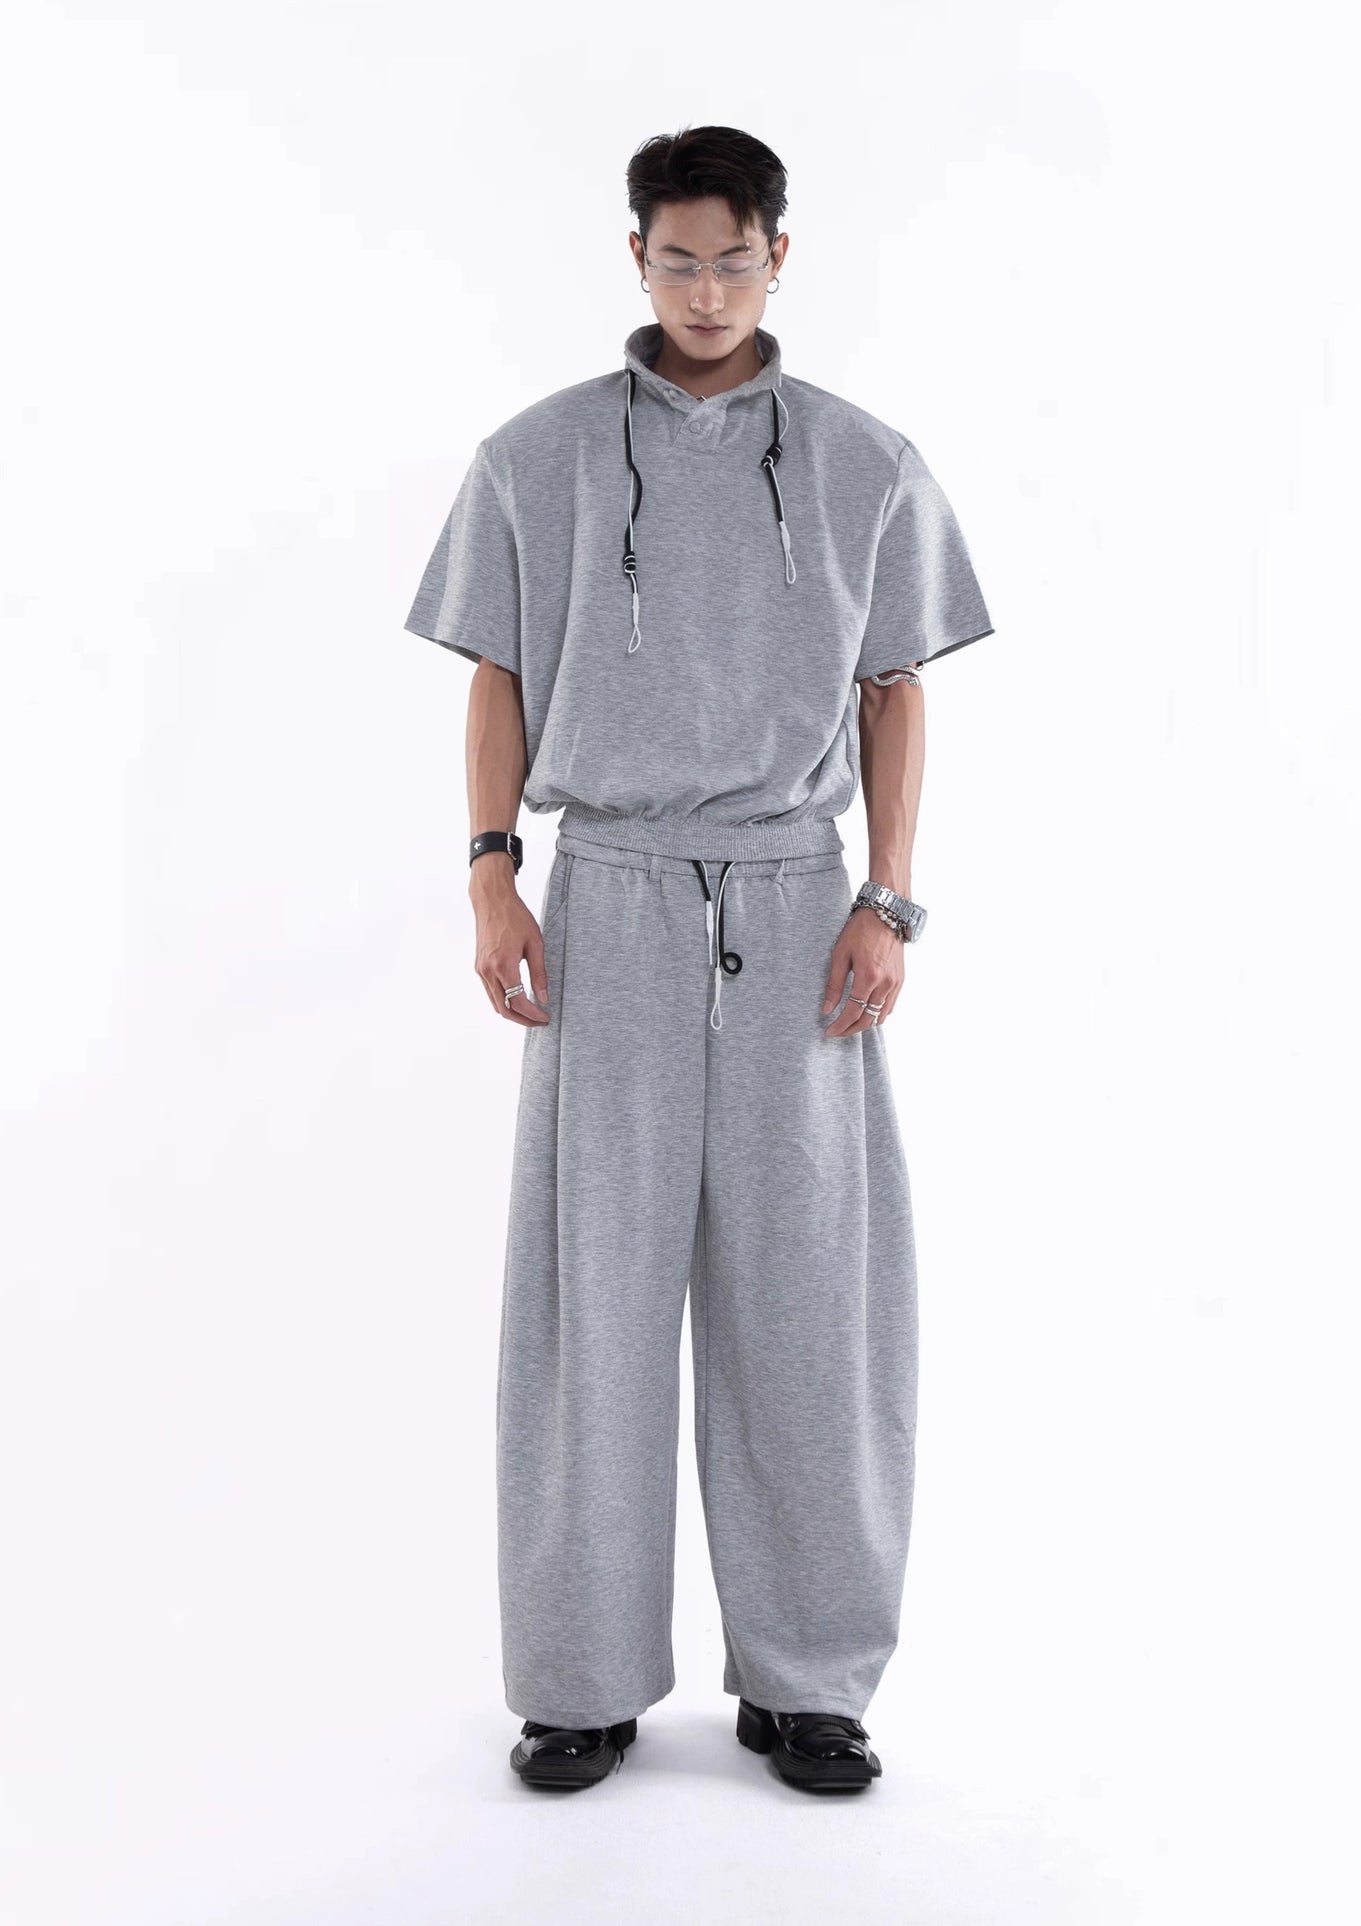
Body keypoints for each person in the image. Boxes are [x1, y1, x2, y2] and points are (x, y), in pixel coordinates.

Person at [402, 124, 994, 1796]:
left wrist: (890, 897)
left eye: (735, 260)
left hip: (799, 899)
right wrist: (492, 872)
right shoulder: (538, 458)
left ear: (778, 256)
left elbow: (894, 688)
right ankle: (578, 1676)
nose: (708, 290)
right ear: (636, 257)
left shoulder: (867, 463)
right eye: (678, 260)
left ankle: (808, 1677)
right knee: (589, 1296)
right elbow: (496, 673)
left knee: (811, 1300)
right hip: (611, 895)